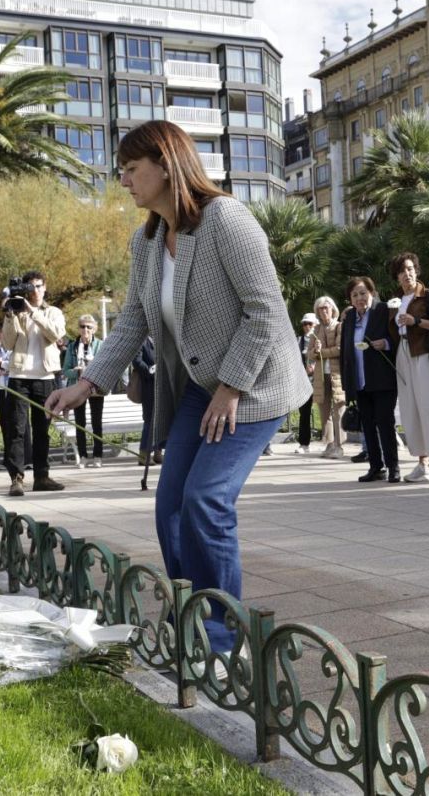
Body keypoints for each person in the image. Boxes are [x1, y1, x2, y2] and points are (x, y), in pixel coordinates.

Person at [46, 119, 309, 656]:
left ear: (166, 164)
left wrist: (231, 388)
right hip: (199, 387)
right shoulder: (146, 241)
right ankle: (194, 614)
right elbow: (133, 321)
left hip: (255, 386)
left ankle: (222, 637)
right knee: (170, 504)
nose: (123, 181)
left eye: (130, 169)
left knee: (206, 499)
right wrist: (88, 383)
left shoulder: (226, 221)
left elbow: (266, 312)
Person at [389, 252, 429, 483]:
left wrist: (416, 321)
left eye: (410, 269)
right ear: (396, 277)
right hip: (402, 354)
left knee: (428, 407)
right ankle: (421, 462)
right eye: (402, 271)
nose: (407, 274)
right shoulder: (395, 301)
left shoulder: (428, 295)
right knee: (410, 409)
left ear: (416, 270)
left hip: (424, 354)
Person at [0, 271, 67, 497]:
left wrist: (33, 313)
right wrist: (10, 316)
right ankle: (16, 479)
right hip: (19, 376)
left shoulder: (53, 312)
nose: (35, 291)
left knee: (42, 431)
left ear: (45, 287)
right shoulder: (17, 312)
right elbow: (8, 343)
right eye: (31, 287)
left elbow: (56, 334)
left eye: (39, 286)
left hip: (45, 377)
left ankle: (42, 476)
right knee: (17, 430)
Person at [340, 277, 400, 483]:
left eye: (363, 293)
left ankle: (393, 466)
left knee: (385, 423)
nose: (359, 298)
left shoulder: (383, 310)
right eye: (355, 295)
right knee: (367, 426)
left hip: (382, 380)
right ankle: (376, 467)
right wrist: (348, 386)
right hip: (360, 382)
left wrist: (386, 343)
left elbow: (398, 337)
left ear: (372, 293)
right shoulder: (348, 318)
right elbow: (345, 353)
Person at [63, 314, 105, 468]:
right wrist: (78, 372)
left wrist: (92, 369)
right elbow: (65, 370)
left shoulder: (100, 345)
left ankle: (98, 455)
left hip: (95, 388)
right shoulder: (73, 346)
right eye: (82, 326)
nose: (85, 329)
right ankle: (83, 455)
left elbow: (105, 367)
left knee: (96, 422)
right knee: (80, 423)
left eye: (89, 326)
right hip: (77, 388)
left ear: (94, 329)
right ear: (79, 329)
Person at [307, 296, 346, 459]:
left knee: (339, 410)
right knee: (324, 411)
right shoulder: (315, 330)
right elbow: (309, 354)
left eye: (326, 307)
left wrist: (320, 352)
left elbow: (339, 349)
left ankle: (339, 445)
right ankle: (330, 444)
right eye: (320, 308)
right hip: (321, 375)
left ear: (333, 309)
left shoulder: (339, 326)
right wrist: (315, 351)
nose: (323, 311)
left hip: (337, 374)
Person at [132, 337, 161, 465]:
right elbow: (137, 361)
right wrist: (151, 370)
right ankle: (144, 455)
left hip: (163, 386)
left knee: (161, 420)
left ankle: (158, 452)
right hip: (148, 386)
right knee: (149, 420)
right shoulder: (141, 340)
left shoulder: (161, 337)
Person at [293, 313, 318, 454]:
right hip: (304, 381)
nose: (307, 327)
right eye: (304, 324)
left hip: (320, 379)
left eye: (310, 324)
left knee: (328, 413)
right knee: (304, 413)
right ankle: (304, 443)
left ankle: (332, 442)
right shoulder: (299, 341)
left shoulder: (321, 339)